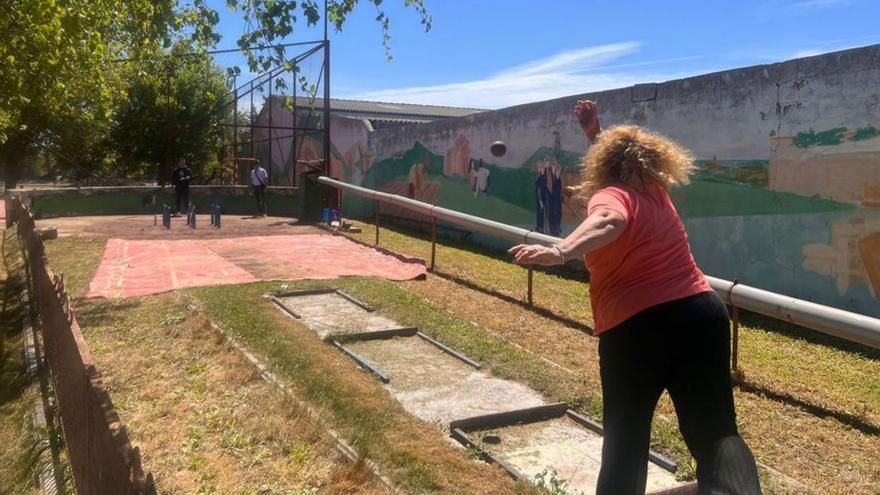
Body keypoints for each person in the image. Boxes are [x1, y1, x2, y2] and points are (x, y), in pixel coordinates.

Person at [509, 100, 761, 495]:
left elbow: (609, 220)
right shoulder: (656, 192)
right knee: (715, 432)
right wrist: (594, 133)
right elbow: (619, 167)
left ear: (602, 168)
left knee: (625, 437)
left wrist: (561, 250)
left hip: (638, 328)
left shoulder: (610, 195)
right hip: (701, 314)